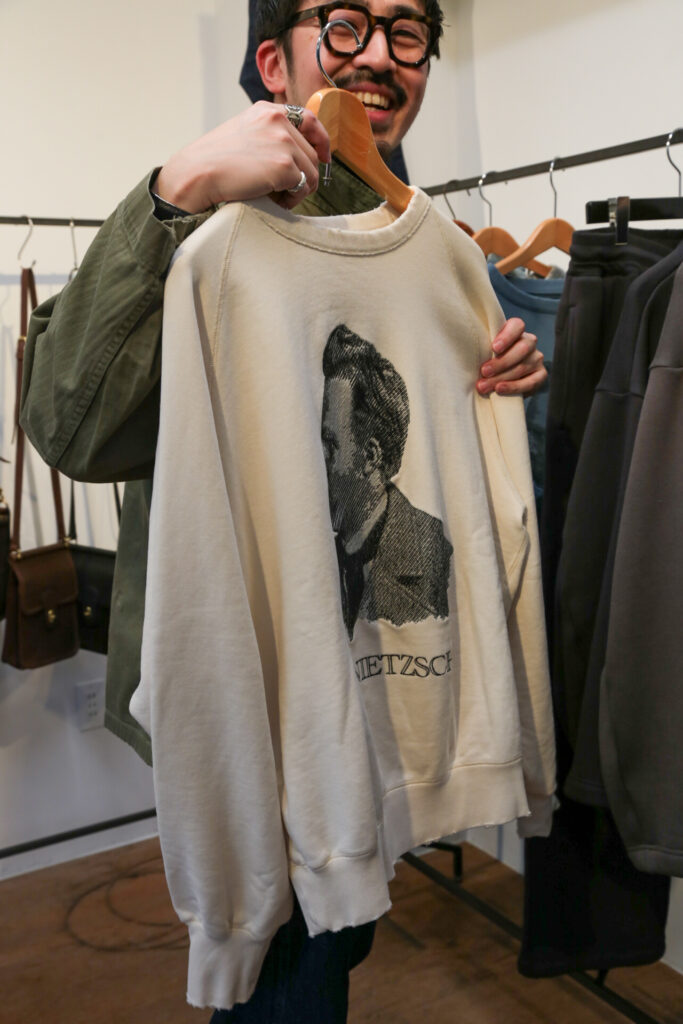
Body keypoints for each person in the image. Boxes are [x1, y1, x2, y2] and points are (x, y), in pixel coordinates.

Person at [20, 2, 548, 1019]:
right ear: (274, 59)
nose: (381, 55)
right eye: (347, 24)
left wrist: (504, 376)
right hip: (253, 692)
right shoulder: (204, 238)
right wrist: (174, 191)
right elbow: (68, 428)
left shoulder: (437, 244)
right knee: (289, 971)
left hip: (383, 687)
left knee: (331, 946)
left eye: (408, 31)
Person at [322, 323, 452, 637]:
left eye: (329, 445)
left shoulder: (439, 559)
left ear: (370, 456)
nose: (315, 460)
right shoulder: (314, 549)